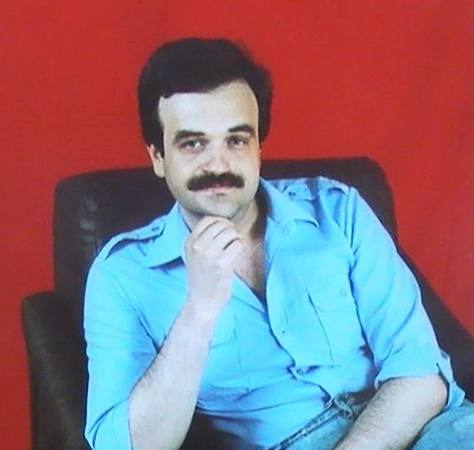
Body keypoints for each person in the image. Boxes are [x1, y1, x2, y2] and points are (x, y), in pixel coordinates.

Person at [84, 37, 472, 450]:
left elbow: (420, 372)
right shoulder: (122, 274)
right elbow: (124, 445)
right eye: (193, 144)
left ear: (259, 147)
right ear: (158, 157)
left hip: (413, 425)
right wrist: (199, 311)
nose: (219, 164)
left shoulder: (338, 210)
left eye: (237, 140)